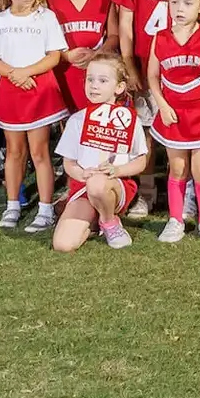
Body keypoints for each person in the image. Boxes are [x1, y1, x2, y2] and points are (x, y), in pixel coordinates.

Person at [0, 0, 68, 231]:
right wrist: (13, 75)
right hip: (12, 91)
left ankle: (44, 209)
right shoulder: (0, 21)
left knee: (40, 151)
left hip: (38, 91)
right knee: (14, 151)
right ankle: (12, 205)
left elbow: (54, 55)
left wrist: (27, 72)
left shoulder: (46, 17)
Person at [146, 0, 200, 243]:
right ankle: (175, 219)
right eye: (174, 2)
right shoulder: (160, 37)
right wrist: (161, 104)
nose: (180, 9)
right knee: (177, 169)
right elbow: (152, 77)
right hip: (173, 113)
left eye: (187, 3)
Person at [50, 52, 151, 252]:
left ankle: (109, 221)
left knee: (97, 183)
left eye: (103, 80)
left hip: (115, 185)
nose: (94, 85)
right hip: (83, 186)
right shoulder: (77, 120)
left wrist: (117, 170)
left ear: (119, 87)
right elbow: (68, 162)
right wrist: (80, 173)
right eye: (90, 79)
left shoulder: (129, 120)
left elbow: (141, 161)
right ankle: (94, 221)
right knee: (63, 245)